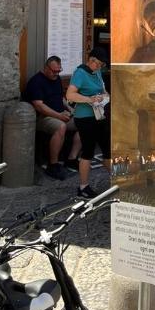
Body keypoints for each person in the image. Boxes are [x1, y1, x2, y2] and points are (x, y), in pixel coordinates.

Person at [23, 56, 81, 181]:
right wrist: (59, 116)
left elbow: (61, 98)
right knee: (60, 126)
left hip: (60, 113)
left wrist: (71, 109)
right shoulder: (36, 82)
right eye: (54, 71)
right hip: (43, 117)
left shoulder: (56, 79)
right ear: (46, 68)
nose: (56, 74)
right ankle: (53, 164)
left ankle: (72, 158)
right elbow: (39, 106)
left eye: (59, 71)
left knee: (84, 122)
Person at [66, 47, 111, 198]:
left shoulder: (97, 71)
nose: (99, 67)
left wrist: (104, 96)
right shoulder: (80, 73)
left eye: (102, 65)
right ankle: (83, 187)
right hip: (84, 118)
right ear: (91, 60)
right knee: (88, 151)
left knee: (107, 148)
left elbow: (102, 89)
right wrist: (89, 99)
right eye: (97, 64)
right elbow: (70, 95)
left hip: (99, 115)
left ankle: (121, 179)